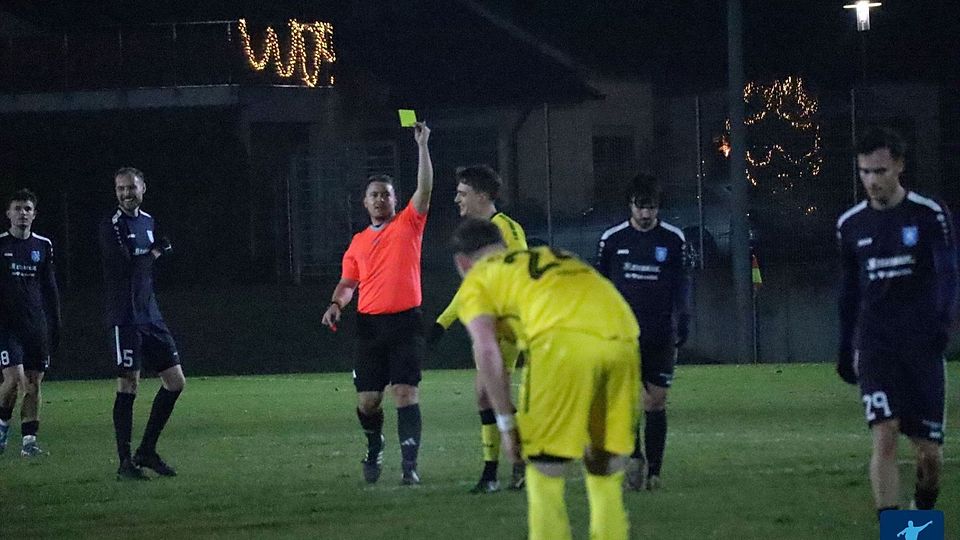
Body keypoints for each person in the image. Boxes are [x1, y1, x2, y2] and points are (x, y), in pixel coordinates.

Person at [452, 218, 639, 540]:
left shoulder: (477, 279)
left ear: (463, 263)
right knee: (603, 462)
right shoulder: (550, 254)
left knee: (543, 467)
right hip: (622, 331)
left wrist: (506, 424)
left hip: (561, 342)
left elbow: (487, 350)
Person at [836, 126, 957, 518]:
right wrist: (845, 348)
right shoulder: (850, 224)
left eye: (880, 171)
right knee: (885, 434)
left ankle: (920, 513)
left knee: (930, 455)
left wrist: (943, 324)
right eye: (865, 172)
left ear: (900, 166)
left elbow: (948, 274)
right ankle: (897, 532)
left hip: (921, 348)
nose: (872, 181)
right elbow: (848, 293)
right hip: (876, 346)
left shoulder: (928, 214)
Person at [321, 122, 433, 485]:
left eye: (386, 194)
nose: (380, 199)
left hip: (405, 323)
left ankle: (409, 467)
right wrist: (336, 304)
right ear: (365, 202)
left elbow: (425, 189)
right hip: (370, 327)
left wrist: (422, 146)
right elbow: (348, 283)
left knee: (405, 392)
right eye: (374, 195)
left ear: (395, 200)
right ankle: (374, 446)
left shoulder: (409, 224)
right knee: (368, 401)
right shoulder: (357, 242)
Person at [428, 164, 527, 493]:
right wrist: (442, 323)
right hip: (489, 324)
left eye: (463, 193)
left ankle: (512, 464)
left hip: (509, 325)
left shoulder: (505, 229)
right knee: (485, 397)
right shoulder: (475, 233)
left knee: (489, 394)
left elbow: (518, 276)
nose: (457, 199)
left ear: (482, 196)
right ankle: (496, 471)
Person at [595, 173, 691, 491]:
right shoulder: (612, 240)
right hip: (622, 335)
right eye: (641, 207)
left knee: (655, 402)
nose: (646, 214)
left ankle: (655, 472)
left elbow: (682, 282)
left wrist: (684, 317)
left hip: (660, 333)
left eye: (651, 208)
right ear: (630, 205)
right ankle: (634, 458)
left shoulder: (673, 239)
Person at [100, 167, 185, 480]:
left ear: (143, 188)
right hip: (125, 316)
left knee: (175, 382)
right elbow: (128, 266)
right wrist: (157, 251)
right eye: (120, 188)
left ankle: (146, 450)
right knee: (128, 383)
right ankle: (125, 462)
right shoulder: (112, 225)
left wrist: (153, 253)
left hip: (150, 314)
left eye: (131, 188)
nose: (126, 194)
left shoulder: (147, 221)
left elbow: (144, 268)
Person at [0, 189, 61, 457]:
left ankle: (29, 442)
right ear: (8, 214)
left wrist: (55, 322)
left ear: (34, 214)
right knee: (14, 380)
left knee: (33, 383)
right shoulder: (1, 245)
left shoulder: (43, 245)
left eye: (27, 209)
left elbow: (49, 287)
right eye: (17, 208)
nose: (23, 213)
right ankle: (2, 427)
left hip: (36, 326)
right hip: (6, 326)